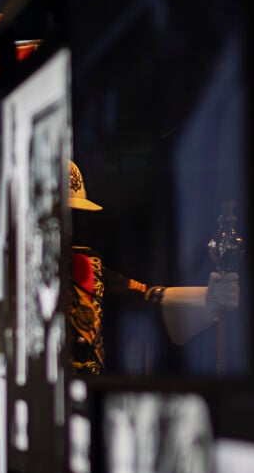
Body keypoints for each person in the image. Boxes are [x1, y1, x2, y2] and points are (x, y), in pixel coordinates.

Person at [66, 160, 239, 375]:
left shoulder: (88, 266)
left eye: (71, 216)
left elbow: (147, 296)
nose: (67, 226)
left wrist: (209, 299)